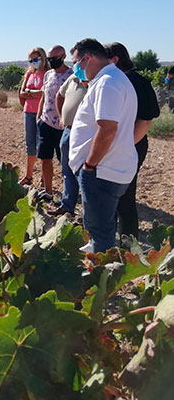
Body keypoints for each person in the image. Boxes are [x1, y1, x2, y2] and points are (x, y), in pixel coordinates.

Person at [69, 38, 138, 252]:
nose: (76, 69)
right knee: (100, 225)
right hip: (107, 168)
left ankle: (101, 276)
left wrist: (89, 165)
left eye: (76, 63)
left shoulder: (108, 82)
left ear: (87, 58)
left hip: (102, 170)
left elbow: (107, 129)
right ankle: (98, 256)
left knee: (101, 231)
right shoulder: (111, 79)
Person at [105, 43, 160, 241]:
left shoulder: (137, 82)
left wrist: (125, 145)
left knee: (125, 196)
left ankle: (128, 244)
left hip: (130, 146)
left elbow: (146, 120)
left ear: (115, 59)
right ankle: (108, 240)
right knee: (109, 195)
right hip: (114, 145)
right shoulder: (113, 81)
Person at [36, 45, 73, 200]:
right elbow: (44, 96)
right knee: (45, 158)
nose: (51, 62)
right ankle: (48, 192)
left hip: (63, 126)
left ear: (63, 57)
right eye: (49, 59)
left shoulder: (72, 75)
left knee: (65, 162)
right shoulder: (48, 74)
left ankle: (68, 196)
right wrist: (38, 116)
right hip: (46, 122)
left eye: (54, 59)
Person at [49, 73, 88, 216]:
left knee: (84, 174)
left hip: (85, 133)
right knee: (67, 169)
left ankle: (87, 215)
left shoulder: (98, 81)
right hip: (68, 130)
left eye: (79, 60)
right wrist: (61, 117)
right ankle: (67, 206)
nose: (76, 64)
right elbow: (60, 95)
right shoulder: (73, 78)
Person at [18, 47, 48, 185]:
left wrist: (31, 93)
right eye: (30, 60)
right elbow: (22, 93)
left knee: (42, 145)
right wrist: (34, 92)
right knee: (30, 144)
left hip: (43, 112)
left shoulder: (48, 73)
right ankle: (29, 176)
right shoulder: (29, 74)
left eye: (35, 59)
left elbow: (45, 93)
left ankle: (44, 178)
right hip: (28, 111)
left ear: (42, 58)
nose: (32, 62)